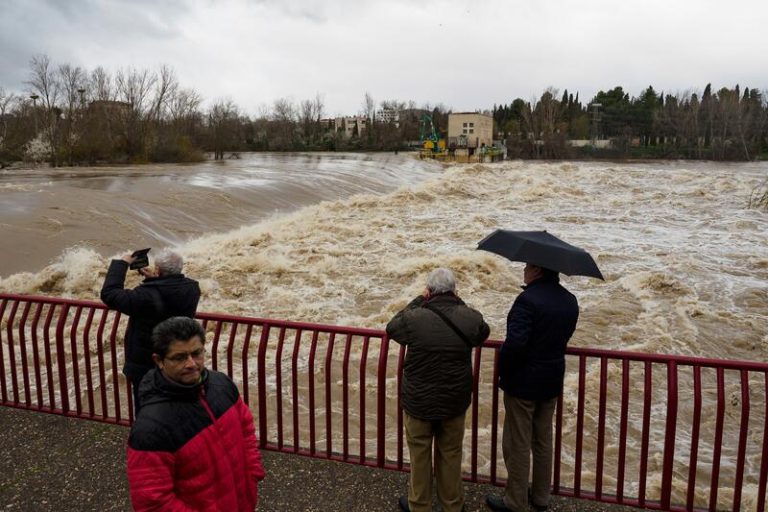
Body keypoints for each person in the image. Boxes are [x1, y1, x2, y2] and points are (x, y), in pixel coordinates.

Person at [127, 316, 265, 511]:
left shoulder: (220, 384)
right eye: (179, 357)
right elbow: (153, 502)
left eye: (196, 353)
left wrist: (252, 471)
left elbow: (245, 425)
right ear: (159, 361)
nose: (192, 363)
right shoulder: (151, 429)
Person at [386, 268, 490, 512]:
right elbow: (482, 332)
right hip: (453, 402)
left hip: (418, 402)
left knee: (420, 455)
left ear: (429, 291)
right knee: (451, 453)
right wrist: (457, 299)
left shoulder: (414, 318)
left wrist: (421, 299)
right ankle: (452, 504)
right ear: (454, 291)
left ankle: (419, 505)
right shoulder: (470, 317)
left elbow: (392, 327)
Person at [486, 264, 579, 512]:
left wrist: (504, 371)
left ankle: (515, 501)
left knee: (517, 442)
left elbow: (515, 344)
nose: (524, 270)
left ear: (537, 270)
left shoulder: (527, 301)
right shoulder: (569, 301)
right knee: (543, 440)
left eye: (527, 266)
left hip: (524, 382)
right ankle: (540, 497)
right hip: (551, 379)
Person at [100, 249, 200, 412]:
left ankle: (150, 436)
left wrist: (122, 263)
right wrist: (156, 279)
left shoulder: (145, 296)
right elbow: (170, 291)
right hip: (177, 358)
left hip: (147, 364)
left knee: (148, 409)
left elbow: (109, 294)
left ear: (158, 270)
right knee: (175, 408)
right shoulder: (192, 289)